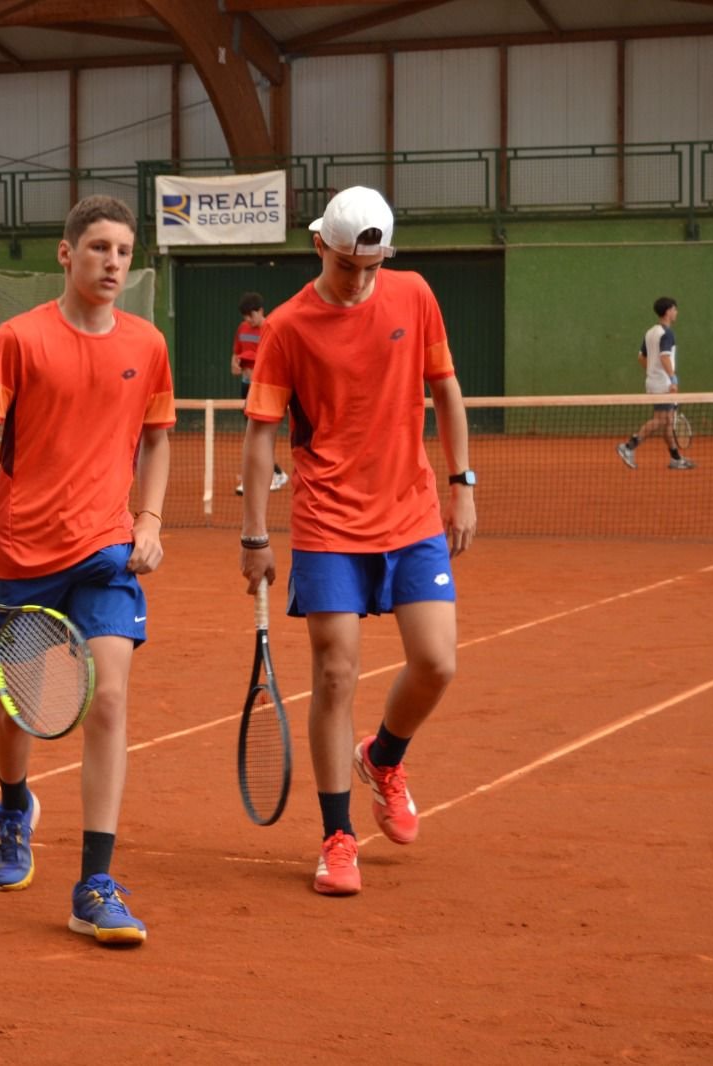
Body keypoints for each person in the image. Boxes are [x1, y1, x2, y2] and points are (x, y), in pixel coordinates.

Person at [238, 186, 475, 897]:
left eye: (372, 266)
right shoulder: (287, 327)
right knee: (336, 674)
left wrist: (461, 482)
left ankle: (385, 756)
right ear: (320, 246)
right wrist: (254, 535)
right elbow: (261, 435)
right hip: (328, 520)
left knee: (436, 662)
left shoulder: (415, 295)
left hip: (412, 511)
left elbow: (445, 387)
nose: (359, 279)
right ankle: (337, 836)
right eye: (347, 265)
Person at [0, 194, 172, 945]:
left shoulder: (148, 344)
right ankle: (15, 804)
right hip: (22, 556)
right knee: (19, 710)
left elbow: (157, 437)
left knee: (108, 698)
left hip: (106, 554)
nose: (113, 262)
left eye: (124, 251)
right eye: (100, 247)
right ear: (66, 253)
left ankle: (93, 886)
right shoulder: (20, 339)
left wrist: (150, 519)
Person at [616, 297, 694, 470]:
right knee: (660, 420)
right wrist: (672, 379)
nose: (676, 312)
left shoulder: (650, 332)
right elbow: (665, 357)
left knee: (668, 421)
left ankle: (675, 458)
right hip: (663, 384)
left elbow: (641, 358)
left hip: (654, 381)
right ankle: (628, 446)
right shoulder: (667, 333)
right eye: (674, 309)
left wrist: (653, 371)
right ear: (668, 311)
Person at [230, 292, 288, 497]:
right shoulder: (242, 328)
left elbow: (272, 359)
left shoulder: (270, 328)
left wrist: (254, 367)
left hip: (262, 388)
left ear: (261, 311)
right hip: (246, 386)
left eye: (251, 315)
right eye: (245, 316)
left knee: (258, 435)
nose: (248, 319)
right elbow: (236, 352)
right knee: (251, 433)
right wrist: (235, 363)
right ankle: (273, 474)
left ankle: (266, 476)